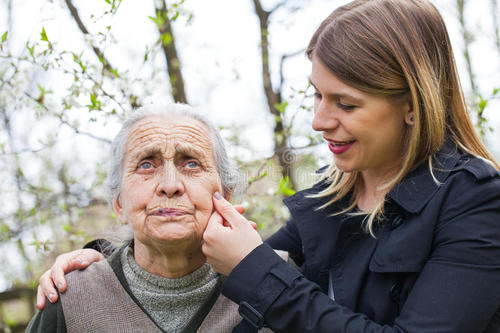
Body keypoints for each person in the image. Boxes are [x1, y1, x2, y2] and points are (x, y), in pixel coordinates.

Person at [37, 0, 500, 331]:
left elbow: (257, 269)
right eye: (317, 95)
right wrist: (99, 262)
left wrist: (256, 270)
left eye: (345, 103)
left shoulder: (476, 202)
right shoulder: (329, 198)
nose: (319, 121)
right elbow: (209, 250)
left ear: (413, 104)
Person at [27, 103, 272, 332]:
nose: (170, 185)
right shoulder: (71, 300)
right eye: (146, 165)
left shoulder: (280, 288)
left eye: (191, 164)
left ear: (225, 196)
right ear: (119, 203)